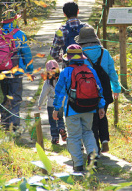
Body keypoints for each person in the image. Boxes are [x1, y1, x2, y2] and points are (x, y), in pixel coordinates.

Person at [52, 44, 106, 172]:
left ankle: (78, 164)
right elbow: (99, 90)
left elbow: (59, 92)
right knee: (88, 132)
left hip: (72, 110)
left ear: (69, 58)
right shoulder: (91, 70)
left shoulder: (66, 72)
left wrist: (56, 108)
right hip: (90, 108)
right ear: (82, 57)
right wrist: (101, 107)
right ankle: (93, 156)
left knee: (74, 136)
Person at [75, 26, 121, 154]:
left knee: (91, 119)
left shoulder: (79, 55)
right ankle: (105, 140)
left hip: (87, 91)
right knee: (103, 114)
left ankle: (95, 147)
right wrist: (116, 88)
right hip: (105, 90)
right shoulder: (104, 53)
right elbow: (112, 72)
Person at [0, 9, 33, 131]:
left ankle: (5, 123)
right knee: (15, 98)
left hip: (2, 72)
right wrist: (29, 70)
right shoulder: (19, 34)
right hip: (16, 72)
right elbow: (26, 54)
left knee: (6, 96)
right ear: (14, 20)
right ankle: (14, 127)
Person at [37, 60, 67, 144]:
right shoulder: (62, 80)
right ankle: (61, 128)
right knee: (60, 118)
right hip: (61, 104)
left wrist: (40, 104)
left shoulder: (47, 82)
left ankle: (55, 137)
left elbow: (43, 94)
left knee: (52, 121)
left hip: (51, 104)